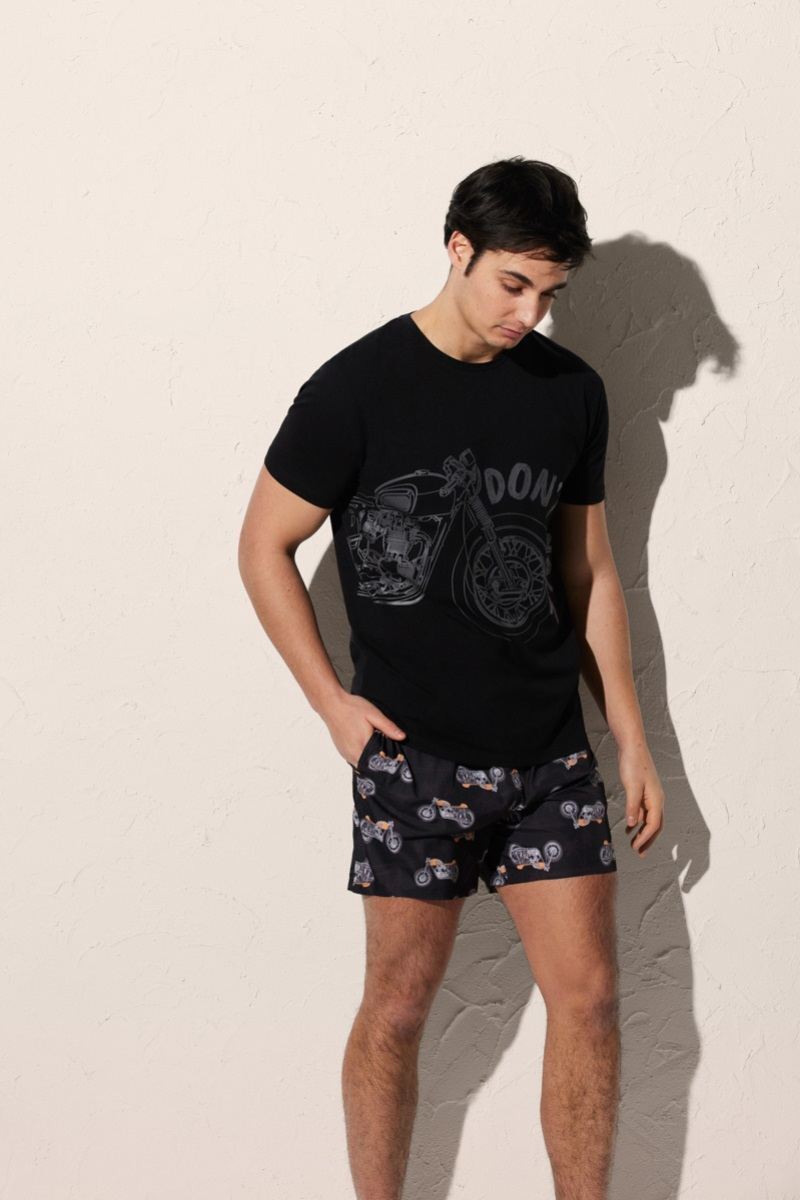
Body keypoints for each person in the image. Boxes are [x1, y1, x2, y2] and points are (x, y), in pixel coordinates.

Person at [238, 156, 665, 1200]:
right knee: (395, 1010)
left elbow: (589, 573)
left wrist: (631, 736)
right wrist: (331, 705)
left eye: (549, 293)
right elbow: (262, 546)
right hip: (411, 756)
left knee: (590, 1001)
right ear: (457, 249)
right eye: (513, 285)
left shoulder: (570, 394)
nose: (529, 314)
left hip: (549, 756)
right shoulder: (355, 388)